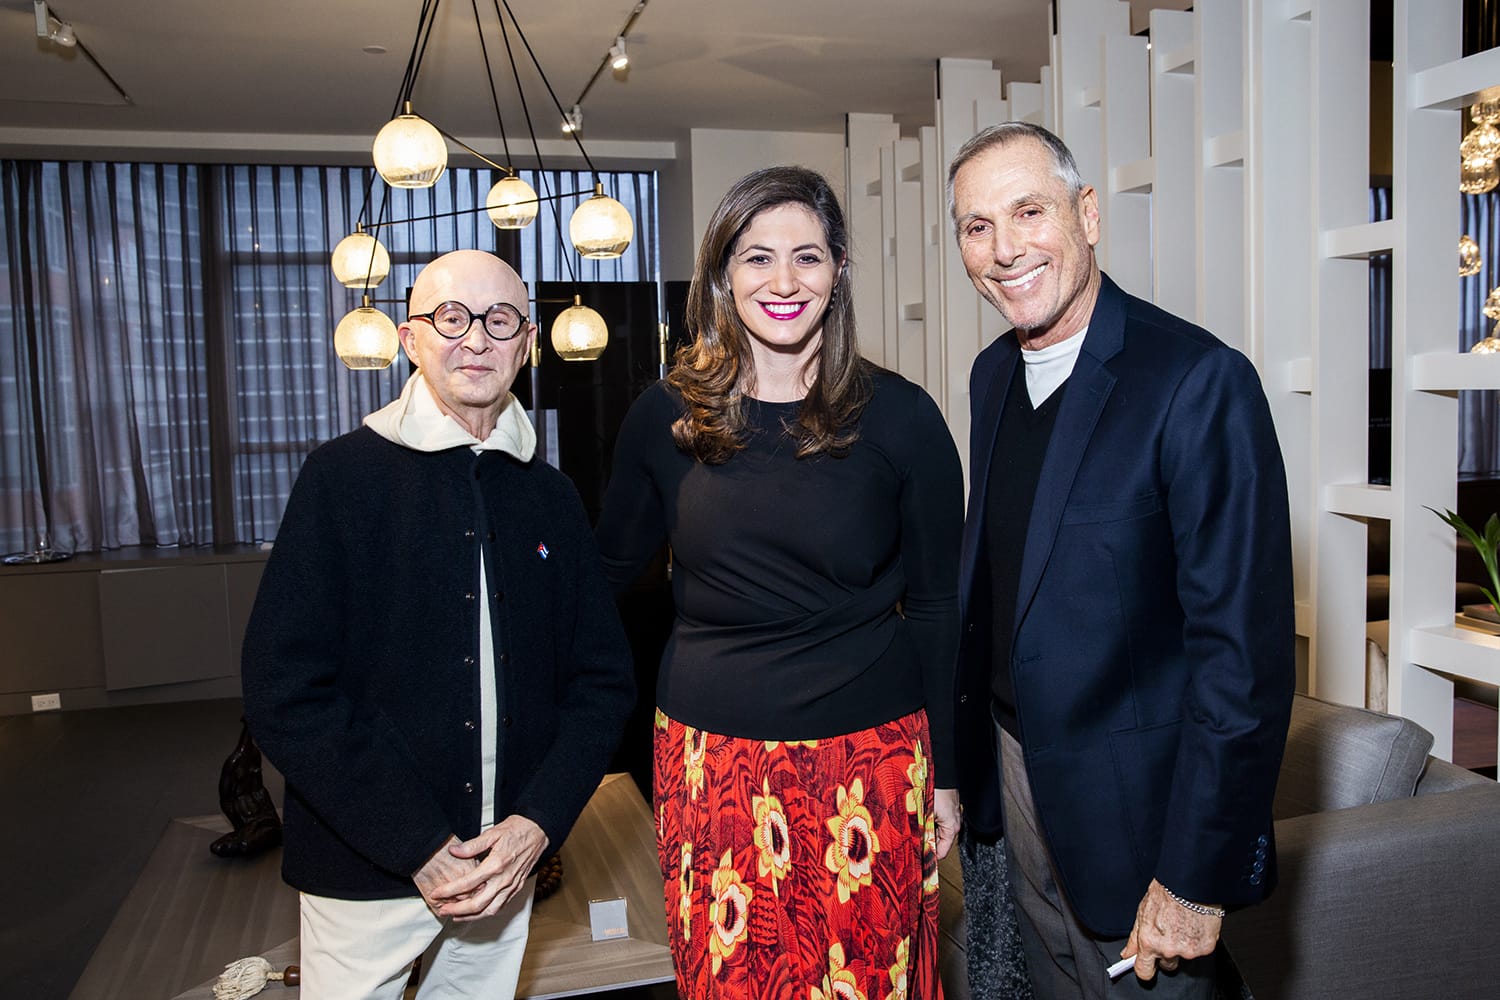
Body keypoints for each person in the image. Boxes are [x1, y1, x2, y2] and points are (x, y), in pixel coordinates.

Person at [596, 166, 963, 1000]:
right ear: (724, 275)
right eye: (758, 257)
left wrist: (946, 773)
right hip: (710, 765)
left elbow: (940, 606)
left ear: (837, 274)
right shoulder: (666, 418)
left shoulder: (902, 418)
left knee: (868, 983)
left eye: (808, 257)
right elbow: (608, 573)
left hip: (868, 762)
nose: (784, 281)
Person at [946, 123, 1294, 998]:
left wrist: (1194, 877)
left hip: (1143, 830)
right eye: (976, 226)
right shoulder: (992, 377)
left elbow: (1243, 661)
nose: (1004, 248)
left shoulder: (1197, 381)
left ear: (1088, 214)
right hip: (1018, 783)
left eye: (1030, 211)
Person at [241, 249, 635, 1000]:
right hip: (364, 869)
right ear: (410, 338)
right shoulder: (340, 479)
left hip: (503, 869)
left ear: (527, 342)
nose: (476, 339)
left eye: (500, 320)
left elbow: (602, 685)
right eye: (450, 318)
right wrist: (418, 844)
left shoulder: (551, 497)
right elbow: (282, 690)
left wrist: (537, 825)